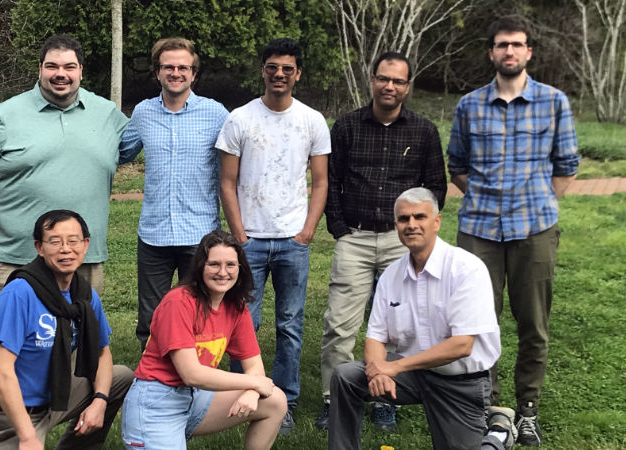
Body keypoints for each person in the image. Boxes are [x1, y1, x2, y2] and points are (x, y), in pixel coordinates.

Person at [446, 15, 580, 446]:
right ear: (492, 52)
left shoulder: (553, 101)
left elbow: (567, 165)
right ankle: (490, 408)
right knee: (479, 323)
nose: (509, 51)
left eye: (517, 45)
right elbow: (458, 166)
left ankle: (527, 411)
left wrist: (539, 200)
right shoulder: (469, 105)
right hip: (480, 229)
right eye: (502, 44)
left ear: (528, 52)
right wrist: (487, 197)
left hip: (534, 229)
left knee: (533, 323)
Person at [317, 51, 448, 431]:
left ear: (407, 86)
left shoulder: (423, 131)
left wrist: (416, 234)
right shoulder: (346, 126)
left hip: (400, 241)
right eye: (383, 79)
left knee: (398, 324)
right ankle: (333, 397)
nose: (390, 86)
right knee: (340, 324)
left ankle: (386, 396)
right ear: (372, 80)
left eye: (398, 81)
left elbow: (435, 187)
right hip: (354, 237)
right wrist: (339, 226)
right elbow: (332, 181)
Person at [328, 188, 502, 450]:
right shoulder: (391, 276)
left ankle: (499, 435)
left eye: (419, 217)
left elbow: (461, 345)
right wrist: (377, 370)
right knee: (346, 376)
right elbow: (375, 336)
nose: (411, 225)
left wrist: (394, 367)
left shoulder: (466, 269)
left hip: (460, 383)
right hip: (414, 375)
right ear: (396, 225)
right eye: (403, 219)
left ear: (437, 221)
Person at [216, 37, 330, 435]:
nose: (279, 74)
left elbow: (320, 181)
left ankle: (286, 401)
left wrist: (307, 232)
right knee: (243, 321)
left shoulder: (312, 120)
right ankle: (241, 399)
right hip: (250, 241)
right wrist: (240, 236)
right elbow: (227, 183)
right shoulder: (240, 119)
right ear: (262, 70)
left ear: (298, 73)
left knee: (290, 325)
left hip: (292, 242)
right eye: (272, 67)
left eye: (287, 68)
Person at [0, 34, 129, 296]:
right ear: (40, 69)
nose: (60, 74)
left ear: (81, 72)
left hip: (83, 254)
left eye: (69, 67)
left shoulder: (107, 114)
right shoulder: (5, 115)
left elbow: (141, 144)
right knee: (19, 333)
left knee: (82, 330)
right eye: (52, 66)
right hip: (18, 254)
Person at [0, 210, 133, 449]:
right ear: (39, 247)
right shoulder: (19, 293)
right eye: (55, 242)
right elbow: (0, 372)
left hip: (56, 397)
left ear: (86, 244)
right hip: (10, 415)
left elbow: (102, 353)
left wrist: (99, 402)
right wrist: (27, 437)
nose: (66, 249)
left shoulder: (84, 295)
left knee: (121, 378)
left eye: (73, 241)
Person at [121, 230, 288, 449]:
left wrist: (252, 392)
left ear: (240, 268)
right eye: (214, 264)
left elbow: (254, 365)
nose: (222, 272)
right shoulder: (179, 302)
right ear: (200, 267)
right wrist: (254, 383)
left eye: (230, 264)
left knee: (274, 400)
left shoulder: (235, 307)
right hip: (156, 402)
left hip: (196, 397)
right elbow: (192, 374)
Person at [119, 37, 229, 350]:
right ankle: (152, 385)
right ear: (157, 72)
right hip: (154, 234)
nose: (176, 72)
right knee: (152, 319)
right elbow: (120, 152)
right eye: (169, 66)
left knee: (199, 315)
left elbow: (236, 164)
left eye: (183, 67)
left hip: (200, 234)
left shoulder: (216, 114)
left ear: (194, 74)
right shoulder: (142, 113)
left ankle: (198, 387)